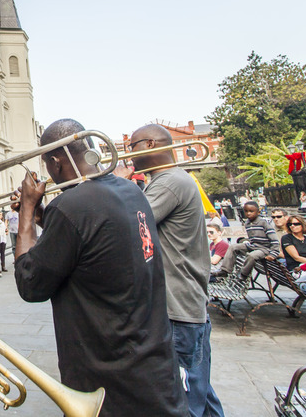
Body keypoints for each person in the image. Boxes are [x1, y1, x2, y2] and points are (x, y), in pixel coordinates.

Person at [15, 119, 187, 417]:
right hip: (152, 362)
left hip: (110, 375)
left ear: (55, 162)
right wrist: (45, 218)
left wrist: (28, 211)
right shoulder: (129, 190)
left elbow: (30, 283)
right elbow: (91, 240)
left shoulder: (70, 205)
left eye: (47, 166)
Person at [123, 123, 223, 416]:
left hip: (178, 308)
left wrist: (117, 183)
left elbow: (128, 226)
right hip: (187, 305)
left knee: (181, 402)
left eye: (134, 146)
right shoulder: (168, 180)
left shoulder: (168, 182)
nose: (129, 154)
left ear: (151, 145)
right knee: (201, 397)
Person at [218, 201, 281, 281]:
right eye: (246, 211)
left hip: (264, 248)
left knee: (252, 255)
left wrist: (273, 253)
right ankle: (225, 270)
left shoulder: (264, 223)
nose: (248, 213)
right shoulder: (247, 223)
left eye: (251, 211)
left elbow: (274, 240)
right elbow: (252, 238)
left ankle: (244, 274)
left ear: (258, 212)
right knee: (233, 247)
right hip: (253, 245)